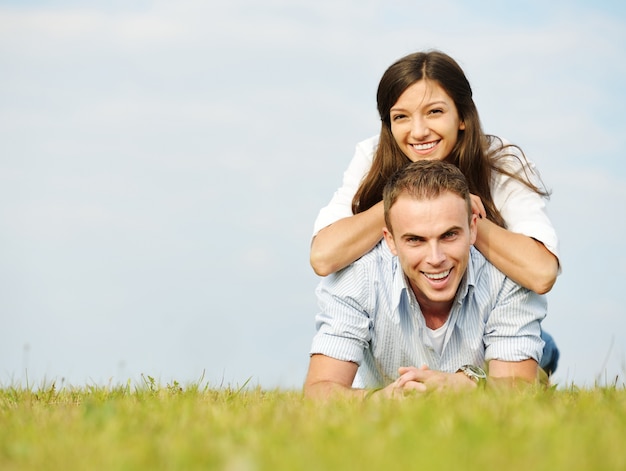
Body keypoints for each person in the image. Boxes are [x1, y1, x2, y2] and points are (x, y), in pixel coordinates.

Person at [310, 51, 560, 296]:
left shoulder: (500, 161)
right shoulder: (372, 155)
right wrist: (398, 206)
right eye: (401, 117)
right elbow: (323, 258)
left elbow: (541, 274)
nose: (418, 131)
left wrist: (459, 212)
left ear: (462, 116)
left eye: (434, 112)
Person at [304, 160, 548, 399]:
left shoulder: (505, 278)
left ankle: (546, 357)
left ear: (473, 228)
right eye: (415, 240)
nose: (435, 258)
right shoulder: (359, 278)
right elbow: (318, 390)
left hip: (496, 345)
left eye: (449, 235)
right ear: (390, 240)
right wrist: (380, 400)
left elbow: (520, 388)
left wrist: (465, 385)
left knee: (537, 373)